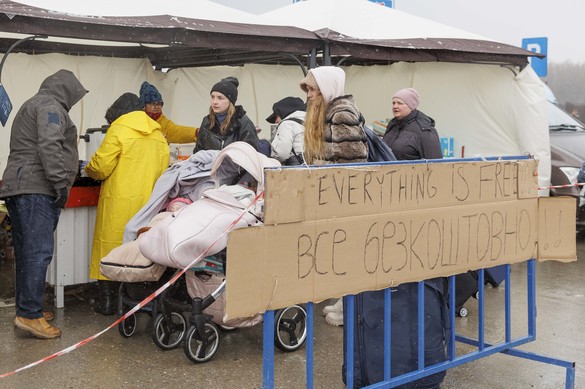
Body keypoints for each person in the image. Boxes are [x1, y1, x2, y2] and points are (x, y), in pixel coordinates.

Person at [0, 69, 88, 338]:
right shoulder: (51, 106)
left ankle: (29, 308)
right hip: (36, 188)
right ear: (66, 90)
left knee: (28, 253)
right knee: (37, 253)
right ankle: (29, 315)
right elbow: (50, 145)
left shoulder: (33, 103)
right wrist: (61, 183)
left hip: (20, 186)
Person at [84, 93, 170, 315]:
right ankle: (135, 301)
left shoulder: (119, 129)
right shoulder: (158, 134)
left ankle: (108, 302)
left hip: (119, 203)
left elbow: (101, 166)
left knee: (110, 248)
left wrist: (88, 168)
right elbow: (164, 171)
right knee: (139, 251)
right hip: (148, 204)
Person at [299, 66, 368, 326]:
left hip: (343, 198)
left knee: (345, 253)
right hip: (329, 197)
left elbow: (353, 163)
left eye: (313, 89)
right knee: (336, 253)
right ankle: (342, 302)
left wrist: (320, 173)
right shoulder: (326, 112)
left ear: (327, 88)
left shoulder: (341, 114)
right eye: (307, 89)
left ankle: (348, 307)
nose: (309, 95)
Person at [194, 76, 259, 153]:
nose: (214, 102)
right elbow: (198, 152)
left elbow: (251, 155)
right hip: (209, 165)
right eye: (212, 97)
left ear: (230, 101)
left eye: (220, 98)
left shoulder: (243, 123)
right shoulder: (206, 121)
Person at [382, 88, 443, 160]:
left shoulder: (424, 130)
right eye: (393, 103)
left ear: (410, 106)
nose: (395, 106)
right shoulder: (392, 125)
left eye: (400, 103)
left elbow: (435, 164)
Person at [266, 96, 307, 165]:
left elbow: (282, 154)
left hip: (297, 168)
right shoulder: (311, 121)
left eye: (276, 116)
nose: (276, 121)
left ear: (283, 112)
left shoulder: (286, 124)